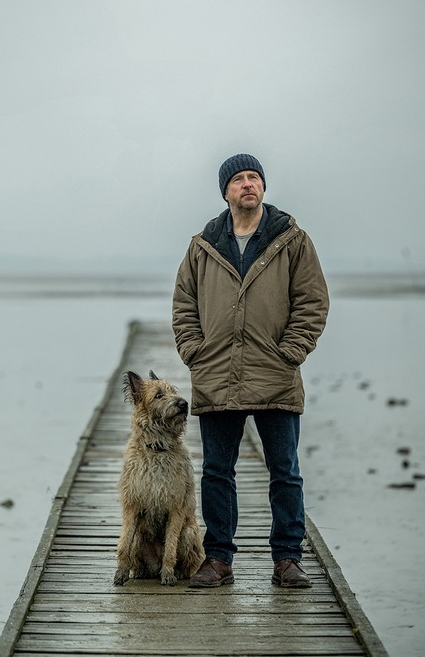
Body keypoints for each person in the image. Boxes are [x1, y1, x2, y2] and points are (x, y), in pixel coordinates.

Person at [171, 153, 329, 588]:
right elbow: (184, 304)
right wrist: (194, 351)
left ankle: (287, 560)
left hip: (274, 373)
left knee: (285, 472)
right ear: (225, 192)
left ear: (263, 187)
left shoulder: (292, 240)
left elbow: (313, 302)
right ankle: (218, 559)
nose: (247, 184)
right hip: (217, 373)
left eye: (254, 177)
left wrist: (290, 352)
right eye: (238, 179)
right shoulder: (203, 245)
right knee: (218, 473)